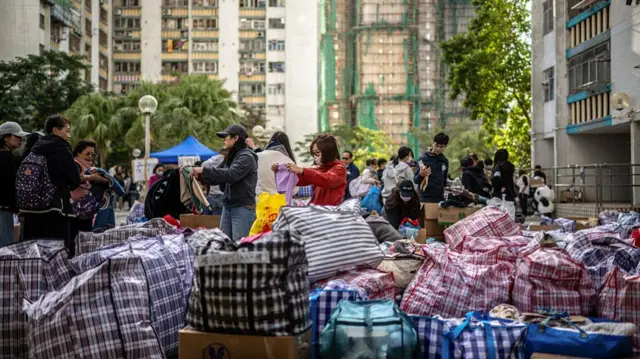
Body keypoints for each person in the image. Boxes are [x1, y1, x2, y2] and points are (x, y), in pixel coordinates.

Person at [22, 115, 103, 248]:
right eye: (66, 131)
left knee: (35, 249)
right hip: (57, 208)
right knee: (58, 249)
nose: (69, 135)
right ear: (55, 130)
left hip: (33, 209)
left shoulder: (35, 149)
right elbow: (74, 180)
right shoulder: (61, 149)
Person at [190, 124, 258, 241]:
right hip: (228, 206)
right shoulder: (232, 157)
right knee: (224, 243)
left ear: (235, 138)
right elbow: (219, 175)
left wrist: (204, 170)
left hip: (242, 208)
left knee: (240, 246)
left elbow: (231, 175)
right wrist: (199, 175)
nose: (224, 140)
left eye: (226, 137)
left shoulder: (246, 157)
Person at [280, 134, 346, 206]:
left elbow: (327, 179)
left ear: (328, 152)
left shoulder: (339, 169)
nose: (315, 156)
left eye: (317, 152)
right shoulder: (319, 168)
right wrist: (283, 171)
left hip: (330, 213)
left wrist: (302, 170)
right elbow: (300, 180)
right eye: (313, 153)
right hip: (317, 211)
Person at [0, 122, 28, 247]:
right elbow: (11, 186)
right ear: (6, 137)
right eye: (17, 136)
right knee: (6, 249)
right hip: (4, 208)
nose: (20, 140)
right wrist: (18, 208)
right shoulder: (7, 158)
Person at [70, 140, 107, 233]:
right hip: (77, 210)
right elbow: (73, 179)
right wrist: (91, 177)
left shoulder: (90, 168)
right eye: (87, 154)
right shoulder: (75, 165)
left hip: (87, 209)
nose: (90, 157)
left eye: (93, 154)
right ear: (78, 153)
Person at [256, 131, 296, 196]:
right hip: (279, 203)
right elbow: (293, 190)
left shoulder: (257, 156)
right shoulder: (289, 162)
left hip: (258, 201)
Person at [414, 133, 449, 203]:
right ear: (433, 143)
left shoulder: (444, 161)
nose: (438, 148)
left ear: (445, 146)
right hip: (425, 198)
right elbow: (415, 180)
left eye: (441, 146)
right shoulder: (422, 159)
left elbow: (444, 181)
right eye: (436, 145)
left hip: (439, 198)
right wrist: (421, 175)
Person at [201, 149, 229, 215]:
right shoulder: (228, 162)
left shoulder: (207, 162)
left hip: (209, 196)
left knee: (207, 223)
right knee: (218, 223)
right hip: (222, 196)